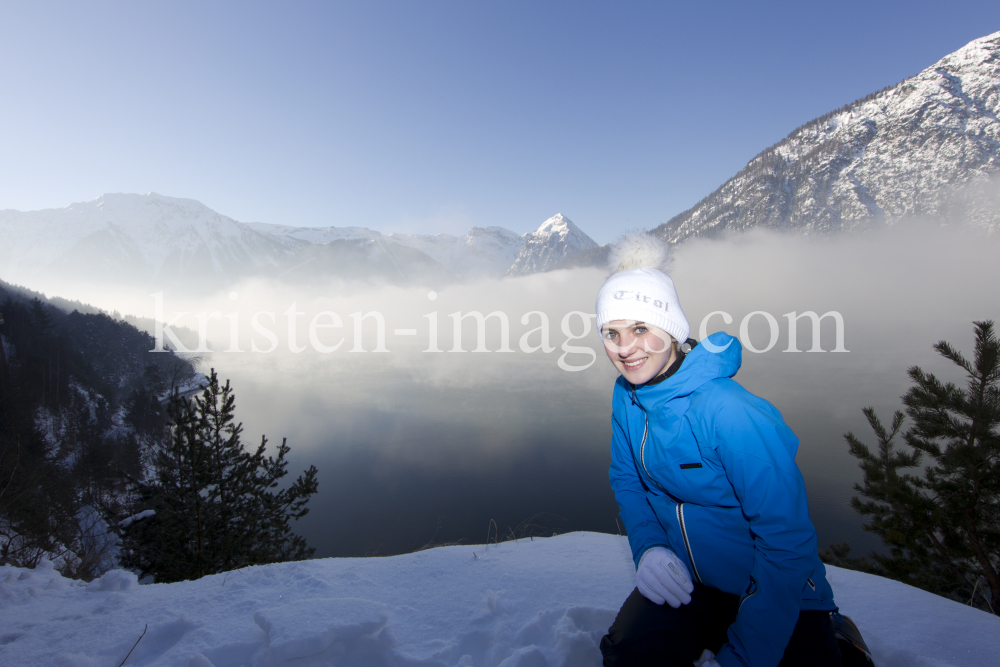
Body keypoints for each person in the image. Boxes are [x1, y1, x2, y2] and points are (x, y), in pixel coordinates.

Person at [595, 232, 841, 667]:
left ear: (671, 330)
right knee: (627, 655)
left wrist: (744, 658)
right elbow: (627, 480)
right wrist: (648, 548)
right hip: (691, 584)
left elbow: (786, 543)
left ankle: (840, 641)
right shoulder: (627, 398)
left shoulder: (730, 412)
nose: (625, 348)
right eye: (611, 333)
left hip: (772, 588)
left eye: (640, 329)